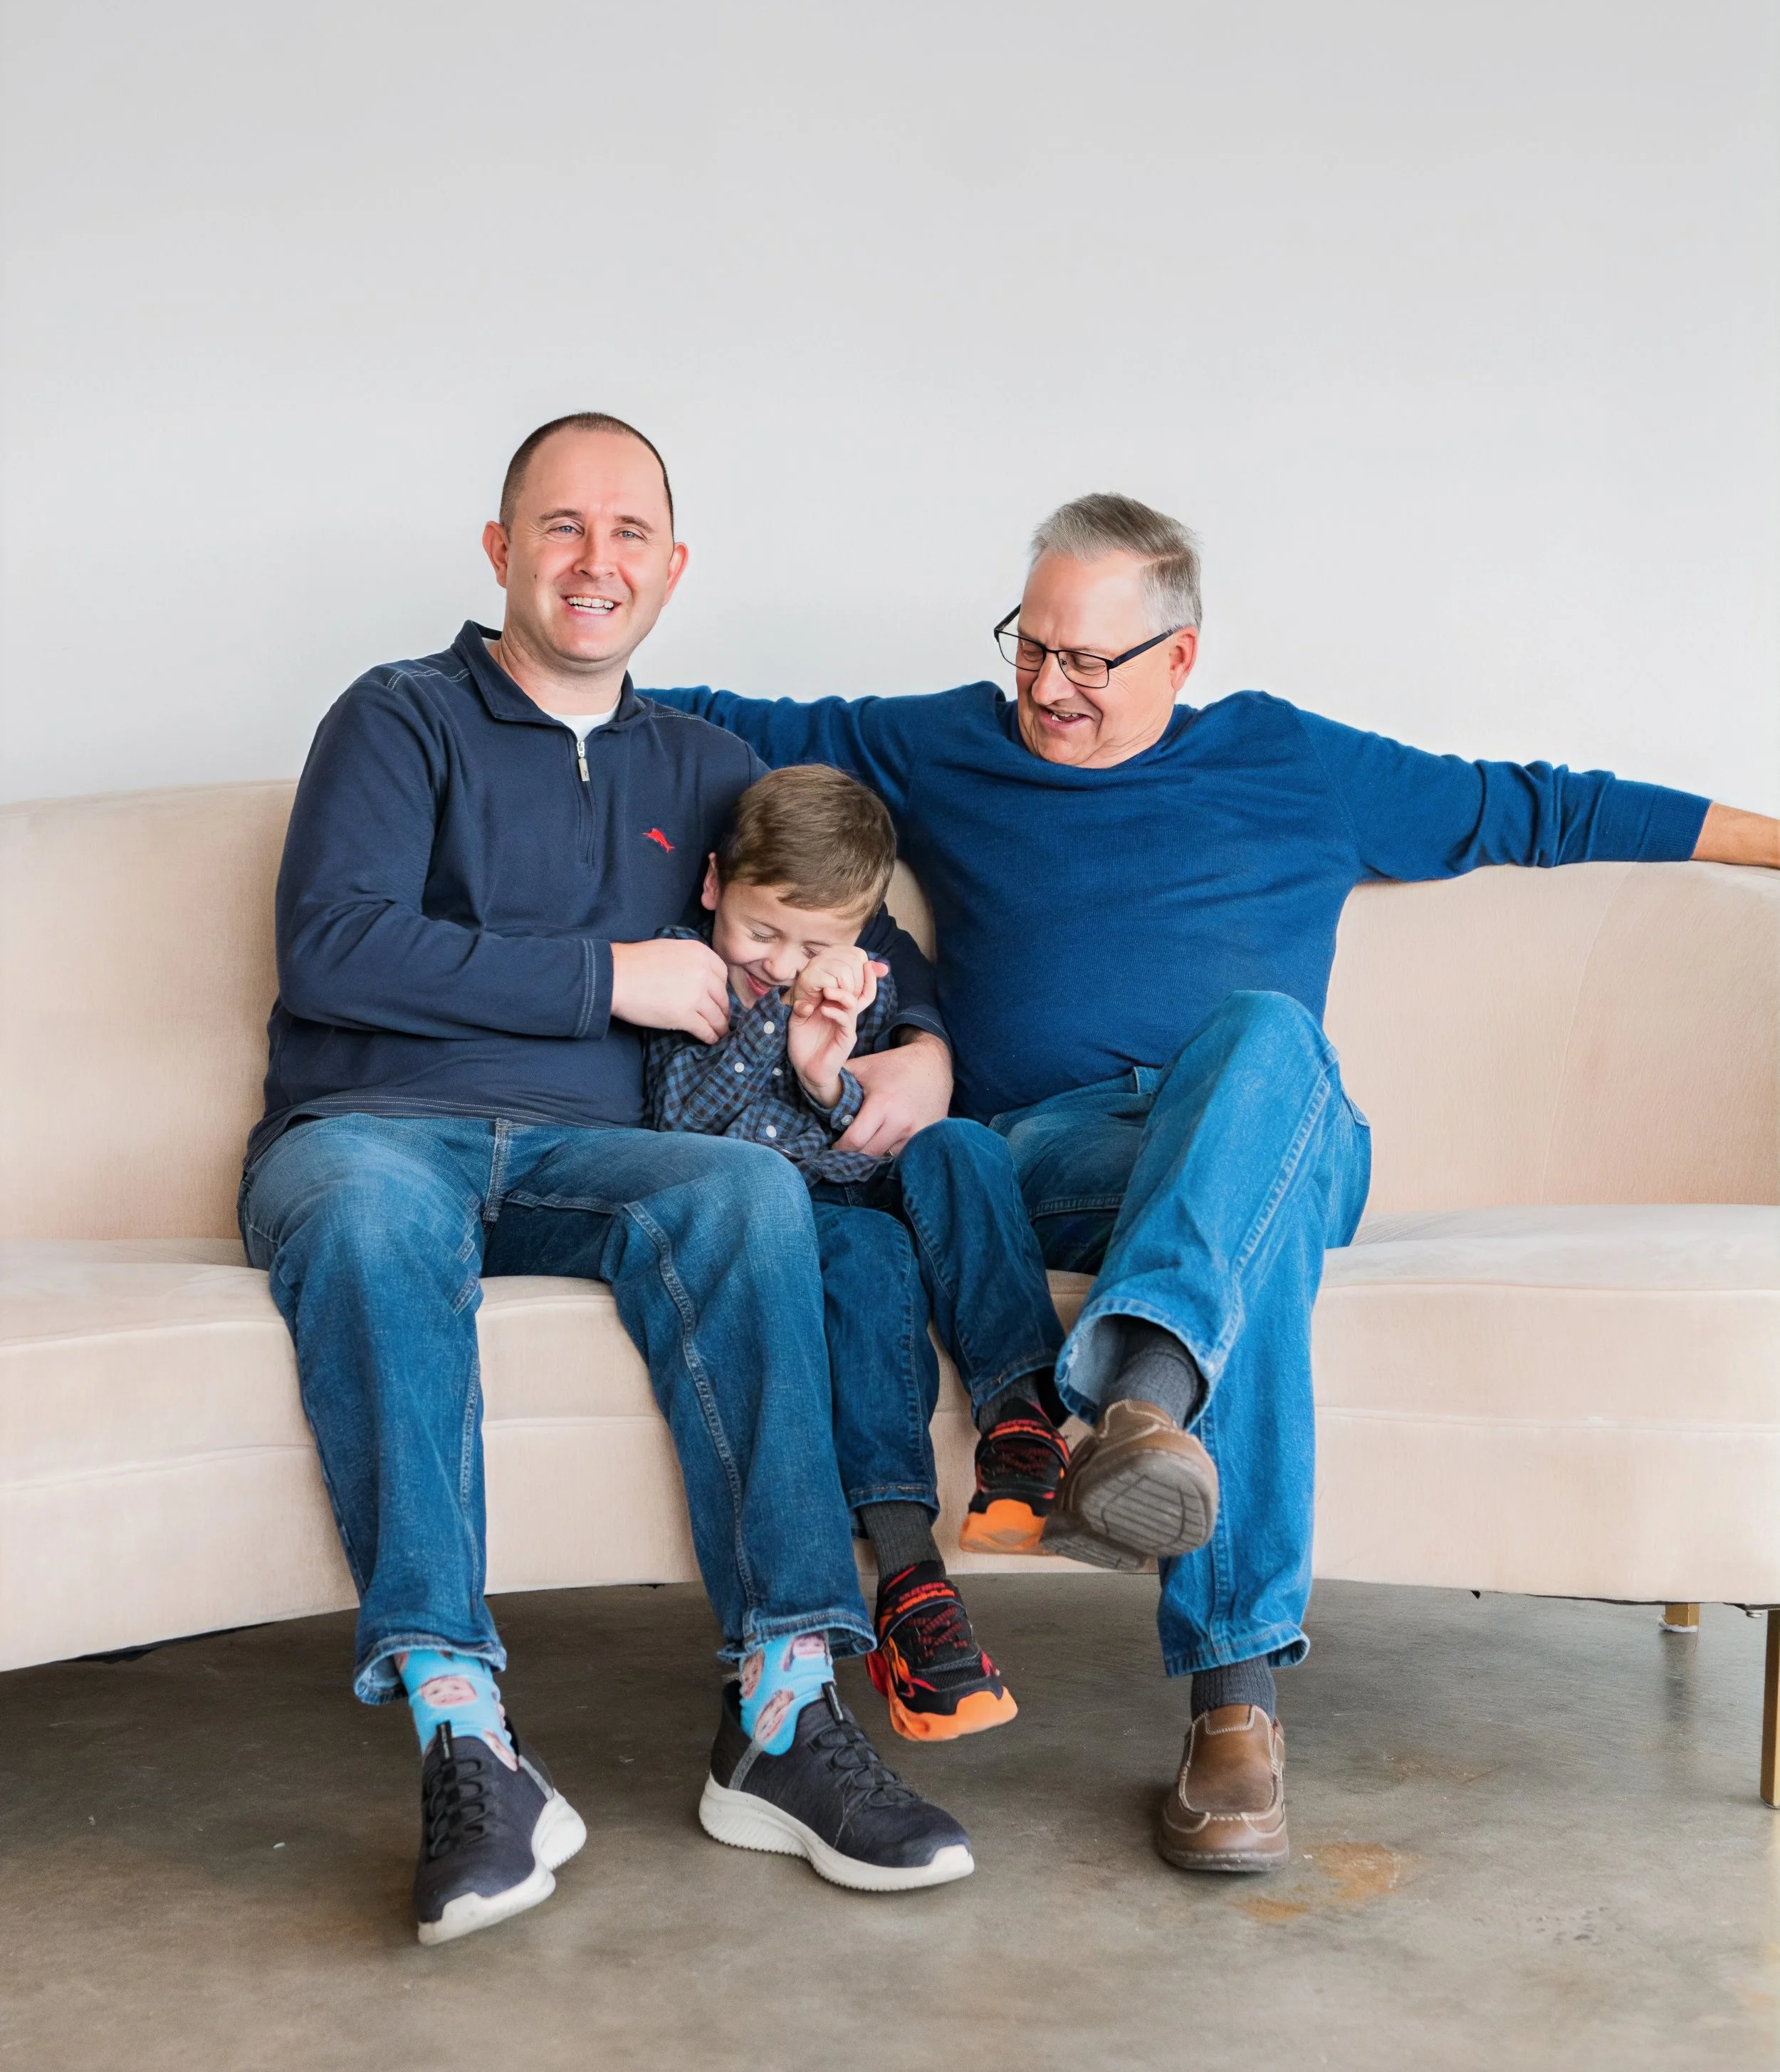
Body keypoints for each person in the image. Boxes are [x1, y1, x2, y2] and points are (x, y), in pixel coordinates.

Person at [643, 491, 1780, 1875]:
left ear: (1179, 659)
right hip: (1048, 1157)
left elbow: (1543, 805)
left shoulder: (1288, 760)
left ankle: (1149, 1414)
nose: (1046, 688)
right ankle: (1224, 1677)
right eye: (1030, 646)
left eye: (1087, 663)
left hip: (1261, 1138)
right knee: (1248, 1236)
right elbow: (688, 718)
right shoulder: (941, 739)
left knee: (1264, 1034)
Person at [239, 413, 975, 1945]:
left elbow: (848, 930)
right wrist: (608, 978)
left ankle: (778, 1715)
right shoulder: (397, 717)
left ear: (673, 566)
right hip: (374, 1130)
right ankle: (466, 1737)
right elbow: (333, 943)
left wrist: (919, 1053)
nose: (596, 560)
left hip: (606, 1158)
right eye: (561, 527)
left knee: (750, 1192)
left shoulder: (704, 765)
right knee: (374, 1212)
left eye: (629, 531)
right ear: (502, 551)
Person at [643, 763, 1068, 1741]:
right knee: (872, 1254)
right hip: (791, 1208)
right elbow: (684, 1117)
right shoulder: (687, 966)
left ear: (865, 927)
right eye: (762, 931)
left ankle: (1021, 1427)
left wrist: (834, 1071)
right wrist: (787, 1040)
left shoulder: (865, 972)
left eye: (816, 944)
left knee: (964, 1143)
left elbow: (861, 1120)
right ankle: (911, 1573)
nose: (784, 962)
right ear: (713, 886)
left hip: (862, 1170)